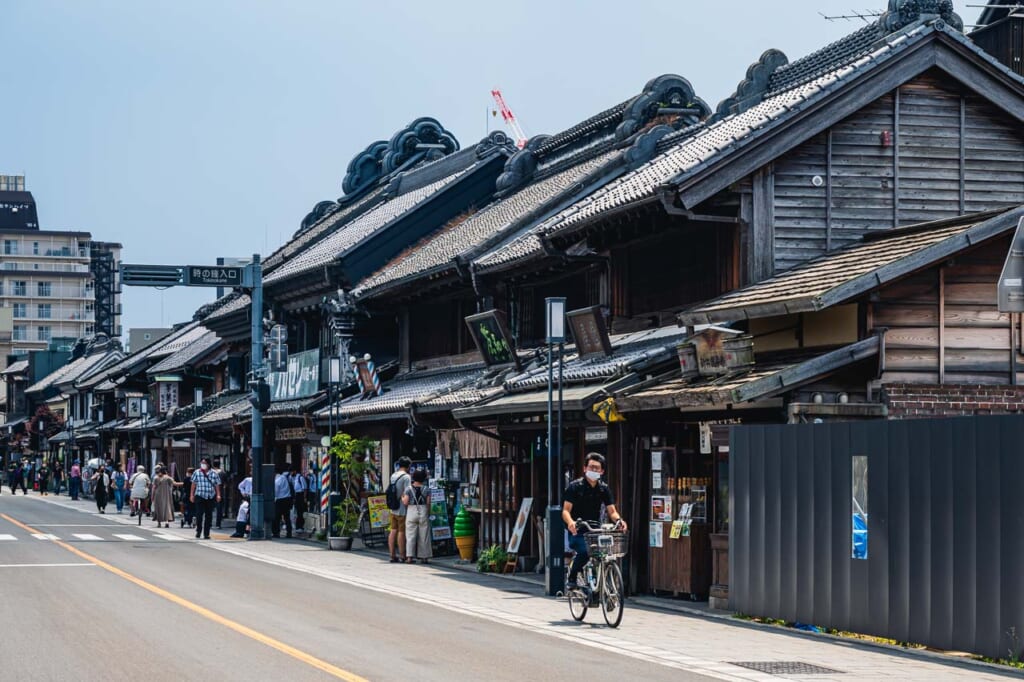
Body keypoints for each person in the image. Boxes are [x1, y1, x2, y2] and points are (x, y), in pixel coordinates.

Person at [561, 452, 627, 588]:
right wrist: (571, 523)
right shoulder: (575, 487)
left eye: (597, 468)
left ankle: (602, 587)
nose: (594, 470)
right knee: (585, 552)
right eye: (591, 467)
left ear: (602, 471)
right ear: (585, 469)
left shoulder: (603, 488)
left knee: (604, 553)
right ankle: (572, 578)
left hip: (595, 530)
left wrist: (619, 521)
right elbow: (565, 511)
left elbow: (612, 511)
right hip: (577, 530)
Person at [402, 468, 432, 564]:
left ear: (413, 477)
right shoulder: (426, 489)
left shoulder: (408, 489)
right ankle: (424, 557)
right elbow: (428, 502)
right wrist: (428, 512)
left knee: (410, 535)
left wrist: (402, 498)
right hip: (423, 510)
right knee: (424, 535)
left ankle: (410, 557)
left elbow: (405, 502)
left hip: (411, 511)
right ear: (423, 478)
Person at [190, 457, 221, 540]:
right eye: (202, 463)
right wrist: (191, 495)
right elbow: (193, 484)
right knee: (199, 514)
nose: (203, 464)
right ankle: (198, 530)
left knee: (209, 516)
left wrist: (218, 495)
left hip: (210, 496)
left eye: (204, 463)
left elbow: (217, 485)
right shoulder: (197, 472)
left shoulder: (214, 473)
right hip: (199, 495)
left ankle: (206, 533)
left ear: (208, 464)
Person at [388, 457, 412, 563]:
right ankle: (402, 555)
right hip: (402, 508)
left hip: (393, 507)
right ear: (408, 466)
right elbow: (407, 492)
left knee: (393, 531)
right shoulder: (406, 477)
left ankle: (392, 555)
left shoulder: (393, 475)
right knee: (402, 532)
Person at [272, 467, 293, 539]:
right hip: (287, 499)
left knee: (277, 517)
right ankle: (289, 533)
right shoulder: (284, 478)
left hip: (280, 500)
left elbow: (276, 492)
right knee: (287, 517)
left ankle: (276, 533)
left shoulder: (277, 481)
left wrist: (274, 499)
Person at [289, 466, 307, 535]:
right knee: (296, 511)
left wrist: (304, 498)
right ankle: (297, 526)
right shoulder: (294, 478)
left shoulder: (300, 477)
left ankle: (300, 527)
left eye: (292, 471)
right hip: (296, 495)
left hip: (301, 495)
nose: (291, 473)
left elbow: (305, 488)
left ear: (295, 471)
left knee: (300, 511)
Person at [212, 459, 228, 528]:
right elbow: (226, 483)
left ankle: (209, 523)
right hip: (220, 492)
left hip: (211, 491)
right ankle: (218, 524)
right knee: (219, 509)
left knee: (209, 508)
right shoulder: (223, 473)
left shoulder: (211, 472)